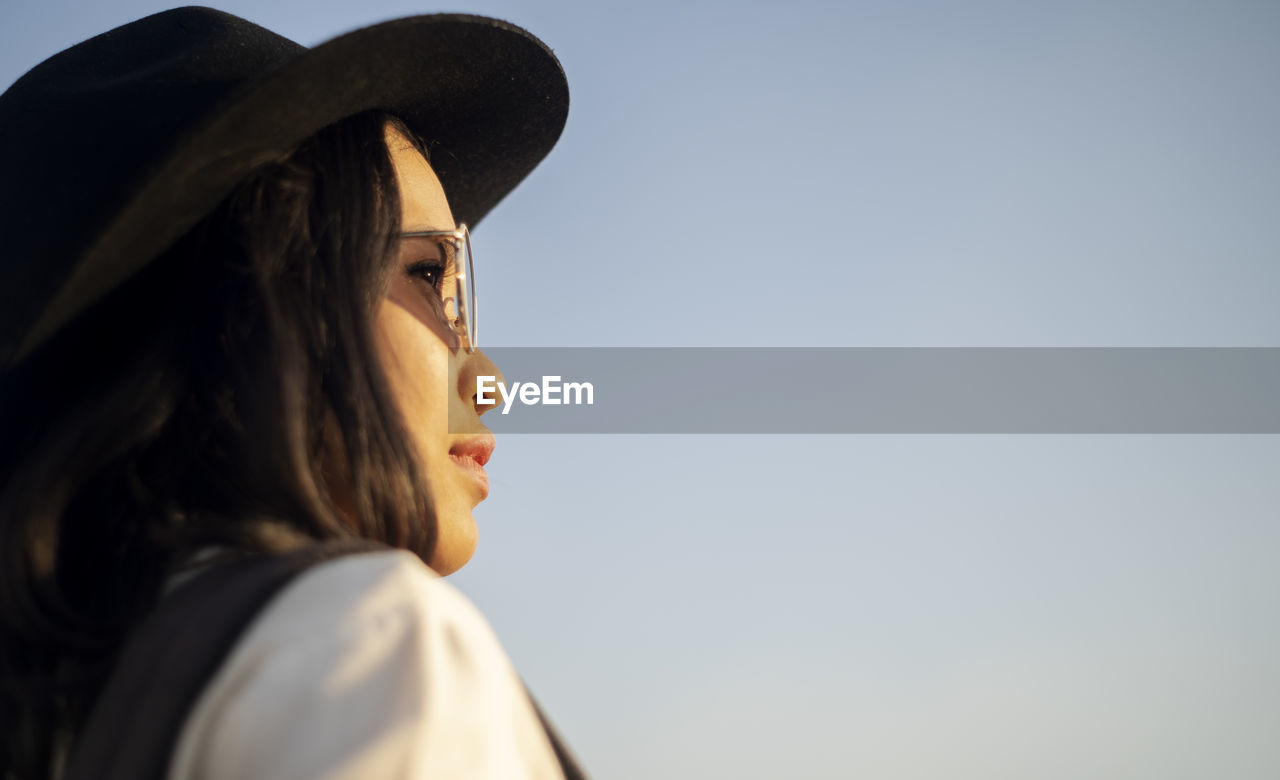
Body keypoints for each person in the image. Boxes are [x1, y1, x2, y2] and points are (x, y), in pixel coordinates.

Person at [0, 6, 581, 779]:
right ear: (249, 309)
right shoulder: (365, 642)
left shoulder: (70, 702)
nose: (486, 379)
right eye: (429, 276)